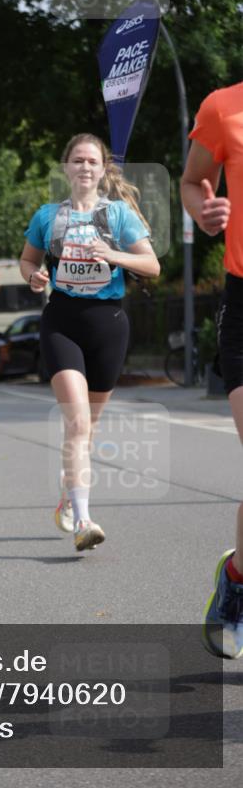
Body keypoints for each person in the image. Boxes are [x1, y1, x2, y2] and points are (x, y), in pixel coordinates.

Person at [20, 133, 160, 552]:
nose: (84, 167)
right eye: (77, 160)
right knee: (77, 422)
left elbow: (151, 265)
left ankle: (69, 491)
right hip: (62, 320)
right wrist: (33, 275)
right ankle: (83, 520)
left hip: (108, 323)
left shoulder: (118, 215)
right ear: (66, 167)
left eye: (92, 162)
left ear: (103, 170)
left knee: (88, 427)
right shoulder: (47, 216)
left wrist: (113, 255)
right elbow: (28, 258)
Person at [181, 80, 243, 659]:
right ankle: (238, 582)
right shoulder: (223, 106)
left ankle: (239, 575)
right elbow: (193, 180)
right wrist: (206, 211)